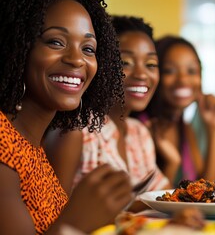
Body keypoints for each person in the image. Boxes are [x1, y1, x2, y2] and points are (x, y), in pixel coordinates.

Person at [0, 0, 133, 234]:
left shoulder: (33, 147)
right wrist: (76, 220)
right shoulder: (2, 142)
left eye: (88, 49)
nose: (76, 59)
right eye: (56, 42)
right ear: (16, 47)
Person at [44, 15, 170, 205]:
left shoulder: (139, 133)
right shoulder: (75, 129)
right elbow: (53, 220)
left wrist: (173, 162)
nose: (142, 74)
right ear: (99, 64)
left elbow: (160, 201)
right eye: (125, 62)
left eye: (151, 64)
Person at [133, 36, 215, 186]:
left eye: (191, 71)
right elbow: (146, 202)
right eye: (170, 70)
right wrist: (172, 164)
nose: (183, 80)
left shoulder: (184, 128)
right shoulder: (141, 128)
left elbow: (207, 190)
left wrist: (213, 129)